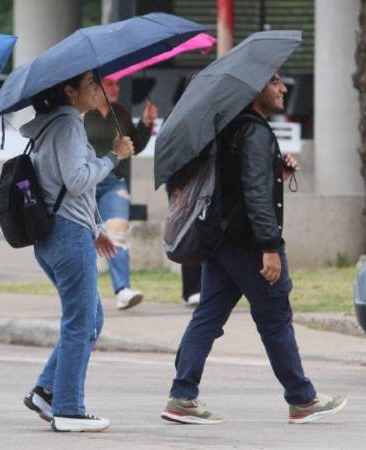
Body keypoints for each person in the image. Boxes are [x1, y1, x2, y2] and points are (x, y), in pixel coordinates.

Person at [161, 73, 347, 425]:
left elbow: (238, 181)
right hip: (249, 246)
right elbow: (256, 195)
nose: (283, 88)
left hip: (221, 243)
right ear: (253, 90)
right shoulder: (255, 132)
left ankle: (182, 395)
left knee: (207, 318)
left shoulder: (229, 128)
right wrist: (270, 247)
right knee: (275, 320)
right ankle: (302, 398)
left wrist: (275, 166)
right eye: (275, 82)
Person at [21, 71, 134, 432]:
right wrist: (114, 157)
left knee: (90, 319)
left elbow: (68, 189)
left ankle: (46, 391)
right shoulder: (68, 125)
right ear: (68, 90)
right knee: (80, 322)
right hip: (68, 236)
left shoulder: (50, 125)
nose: (97, 90)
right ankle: (68, 408)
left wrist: (98, 228)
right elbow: (79, 180)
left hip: (59, 234)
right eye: (90, 85)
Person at [84, 77, 157, 310]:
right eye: (110, 84)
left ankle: (123, 289)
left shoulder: (121, 113)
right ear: (96, 87)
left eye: (117, 84)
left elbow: (135, 145)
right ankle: (85, 292)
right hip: (86, 185)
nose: (116, 88)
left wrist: (146, 123)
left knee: (118, 233)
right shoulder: (83, 114)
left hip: (115, 183)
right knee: (85, 240)